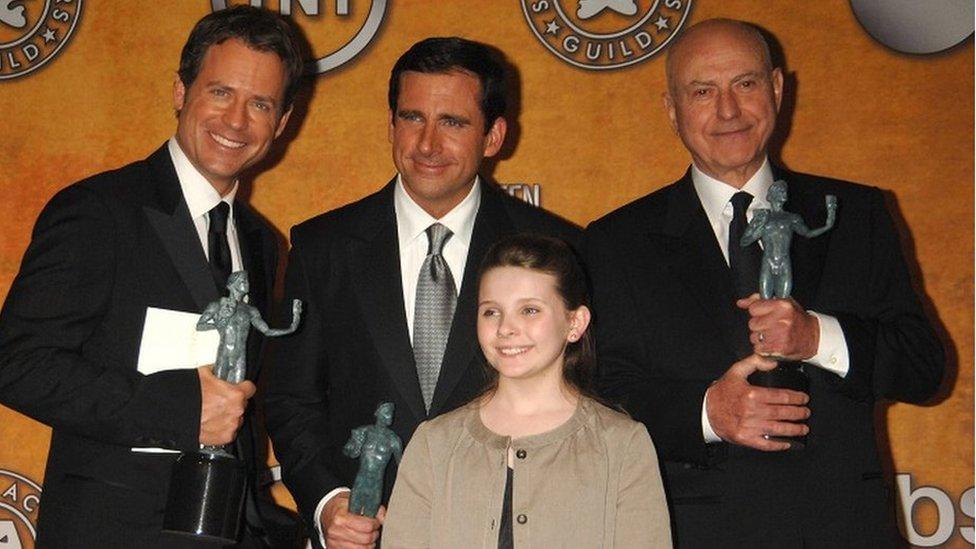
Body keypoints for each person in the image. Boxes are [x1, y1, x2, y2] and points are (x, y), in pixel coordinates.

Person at [583, 18, 944, 547]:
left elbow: (923, 368)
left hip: (844, 530)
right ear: (672, 110)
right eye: (703, 91)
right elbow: (599, 401)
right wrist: (708, 412)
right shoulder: (616, 242)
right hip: (695, 533)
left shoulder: (854, 214)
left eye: (745, 84)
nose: (728, 111)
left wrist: (819, 337)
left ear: (777, 89)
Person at [0, 6, 305, 547]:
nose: (236, 121)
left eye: (260, 104)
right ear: (180, 92)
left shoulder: (260, 240)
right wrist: (182, 409)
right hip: (113, 533)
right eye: (220, 92)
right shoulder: (99, 210)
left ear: (281, 124)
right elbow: (16, 363)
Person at [264, 37, 580, 549]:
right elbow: (291, 399)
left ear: (494, 135)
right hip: (368, 532)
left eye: (452, 122)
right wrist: (327, 500)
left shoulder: (556, 250)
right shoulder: (324, 247)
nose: (428, 144)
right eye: (412, 118)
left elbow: (582, 401)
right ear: (391, 127)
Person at [382, 234, 671, 548]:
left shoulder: (623, 446)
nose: (506, 328)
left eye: (530, 310)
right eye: (491, 311)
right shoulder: (433, 444)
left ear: (575, 322)